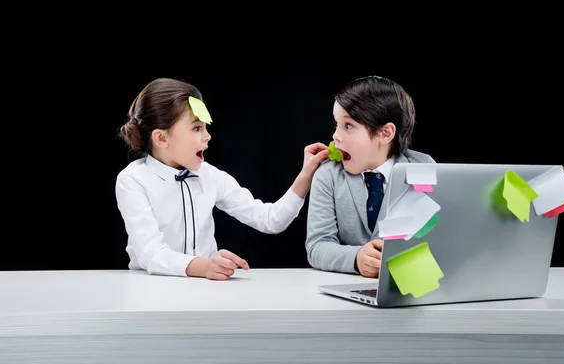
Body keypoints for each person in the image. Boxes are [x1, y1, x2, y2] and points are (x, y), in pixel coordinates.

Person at [116, 77, 329, 280]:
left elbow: (270, 220)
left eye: (205, 128)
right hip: (150, 293)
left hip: (204, 290)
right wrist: (205, 266)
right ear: (161, 138)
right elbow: (151, 253)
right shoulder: (133, 180)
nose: (207, 136)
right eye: (197, 128)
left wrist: (306, 174)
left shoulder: (209, 175)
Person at [306, 75, 435, 278]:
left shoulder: (424, 168)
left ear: (385, 133)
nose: (335, 136)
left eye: (348, 126)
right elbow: (317, 246)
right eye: (336, 124)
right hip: (346, 290)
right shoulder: (328, 175)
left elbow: (437, 237)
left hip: (409, 285)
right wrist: (356, 258)